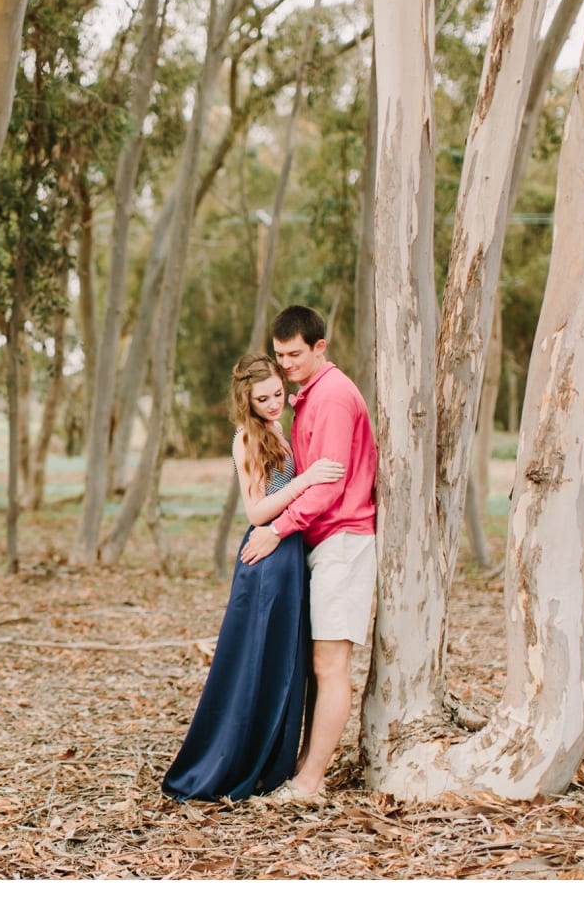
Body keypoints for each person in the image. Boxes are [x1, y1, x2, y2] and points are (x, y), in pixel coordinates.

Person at [161, 353, 345, 803]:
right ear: (247, 400)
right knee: (256, 660)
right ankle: (232, 760)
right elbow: (256, 510)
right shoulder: (246, 438)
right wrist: (306, 480)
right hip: (266, 556)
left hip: (290, 552)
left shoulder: (281, 428)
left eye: (277, 394)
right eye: (262, 399)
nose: (272, 404)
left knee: (286, 661)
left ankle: (276, 761)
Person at [240, 305, 377, 805]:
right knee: (319, 663)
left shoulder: (335, 397)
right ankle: (302, 767)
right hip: (321, 542)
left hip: (344, 540)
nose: (287, 364)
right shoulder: (307, 398)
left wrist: (278, 530)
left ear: (320, 347)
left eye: (295, 354)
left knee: (331, 663)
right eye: (280, 355)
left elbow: (328, 484)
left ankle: (310, 782)